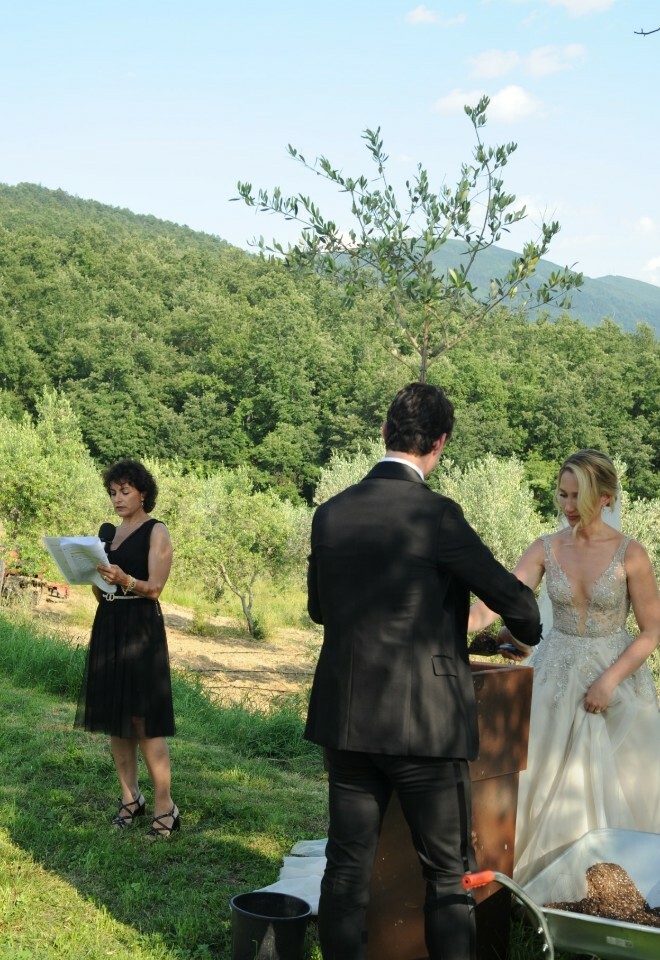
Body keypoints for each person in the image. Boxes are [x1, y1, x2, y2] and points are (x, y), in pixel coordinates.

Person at [304, 382, 542, 960]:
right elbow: (520, 606)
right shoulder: (438, 516)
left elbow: (317, 610)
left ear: (384, 432)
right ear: (440, 443)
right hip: (425, 728)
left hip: (348, 716)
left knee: (345, 869)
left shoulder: (330, 513)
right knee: (447, 877)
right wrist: (515, 631)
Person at [469, 450, 660, 886]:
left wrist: (609, 681)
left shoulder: (633, 555)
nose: (568, 506)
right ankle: (536, 886)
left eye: (579, 497)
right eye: (562, 494)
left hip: (615, 676)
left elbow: (651, 631)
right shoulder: (545, 547)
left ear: (606, 498)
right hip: (555, 673)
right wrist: (450, 625)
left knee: (620, 785)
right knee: (540, 774)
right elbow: (502, 599)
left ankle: (612, 889)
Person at [75, 459, 180, 838]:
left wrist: (125, 579)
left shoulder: (157, 532)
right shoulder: (108, 535)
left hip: (140, 629)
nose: (117, 499)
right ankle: (129, 798)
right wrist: (96, 579)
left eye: (125, 491)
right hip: (109, 624)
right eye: (113, 492)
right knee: (115, 719)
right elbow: (102, 587)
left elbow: (154, 588)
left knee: (143, 722)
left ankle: (165, 807)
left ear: (143, 493)